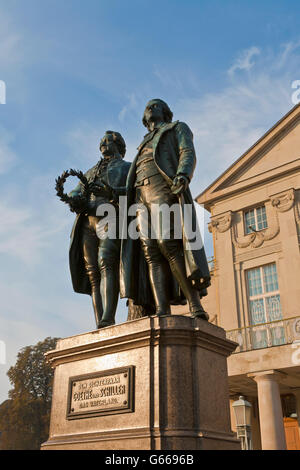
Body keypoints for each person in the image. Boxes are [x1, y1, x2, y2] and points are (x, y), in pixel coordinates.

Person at [120, 99, 210, 320]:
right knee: (150, 252)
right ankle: (161, 308)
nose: (151, 108)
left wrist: (183, 174)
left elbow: (187, 152)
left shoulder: (177, 128)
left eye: (156, 105)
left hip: (162, 188)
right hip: (139, 197)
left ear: (166, 112)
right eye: (148, 107)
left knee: (168, 244)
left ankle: (195, 304)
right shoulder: (142, 144)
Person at [69, 131, 131, 328]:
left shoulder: (127, 167)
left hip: (111, 216)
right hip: (87, 222)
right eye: (102, 141)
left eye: (108, 140)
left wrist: (112, 193)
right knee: (93, 273)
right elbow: (77, 190)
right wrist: (73, 197)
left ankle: (108, 318)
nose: (103, 143)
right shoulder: (90, 171)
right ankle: (100, 321)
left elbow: (134, 191)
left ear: (119, 145)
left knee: (106, 262)